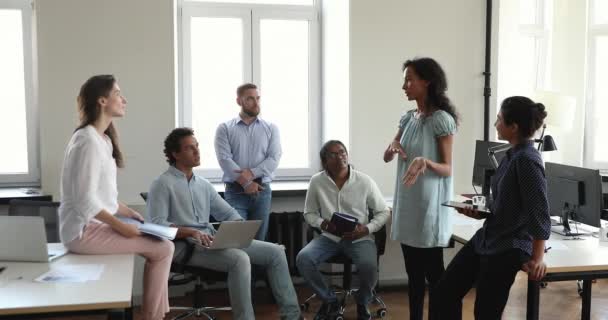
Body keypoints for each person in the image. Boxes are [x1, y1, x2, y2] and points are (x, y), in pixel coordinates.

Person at [147, 127, 301, 320]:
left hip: (211, 240)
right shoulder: (162, 184)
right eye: (189, 148)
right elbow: (156, 226)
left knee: (276, 252)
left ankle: (293, 316)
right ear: (175, 154)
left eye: (197, 146)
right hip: (186, 246)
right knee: (240, 259)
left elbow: (227, 212)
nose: (197, 151)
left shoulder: (202, 184)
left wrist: (238, 225)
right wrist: (190, 232)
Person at [58, 75, 174, 320]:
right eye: (118, 94)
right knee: (164, 248)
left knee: (163, 245)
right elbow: (83, 200)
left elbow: (103, 197)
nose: (124, 99)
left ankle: (155, 315)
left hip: (96, 223)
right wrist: (123, 227)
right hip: (82, 231)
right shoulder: (86, 140)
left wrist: (128, 213)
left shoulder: (104, 139)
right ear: (102, 100)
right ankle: (153, 317)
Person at [435, 96, 551, 319]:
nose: (495, 124)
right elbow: (506, 202)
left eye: (499, 120)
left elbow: (538, 210)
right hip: (489, 237)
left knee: (486, 313)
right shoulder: (511, 154)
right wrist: (478, 211)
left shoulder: (527, 159)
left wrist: (538, 258)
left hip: (508, 246)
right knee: (444, 292)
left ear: (514, 127)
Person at [383, 57, 458, 320]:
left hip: (429, 208)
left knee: (434, 278)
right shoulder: (407, 118)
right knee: (413, 277)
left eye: (409, 79)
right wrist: (392, 147)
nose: (404, 85)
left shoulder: (441, 120)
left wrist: (425, 162)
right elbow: (389, 153)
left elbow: (447, 168)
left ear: (427, 82)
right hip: (408, 204)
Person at [297, 140, 390, 320]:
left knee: (369, 266)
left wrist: (367, 229)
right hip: (329, 238)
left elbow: (383, 211)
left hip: (359, 238)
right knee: (304, 259)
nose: (340, 156)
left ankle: (363, 300)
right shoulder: (317, 181)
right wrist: (322, 224)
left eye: (342, 152)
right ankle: (330, 300)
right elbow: (308, 213)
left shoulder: (364, 181)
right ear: (325, 161)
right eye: (333, 154)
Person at [214, 83, 281, 241]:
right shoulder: (224, 128)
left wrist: (251, 174)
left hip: (262, 191)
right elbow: (224, 159)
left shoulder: (271, 128)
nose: (256, 103)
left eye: (257, 98)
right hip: (235, 192)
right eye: (250, 99)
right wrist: (246, 183)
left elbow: (274, 157)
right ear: (239, 101)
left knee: (260, 241)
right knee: (238, 240)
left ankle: (256, 268)